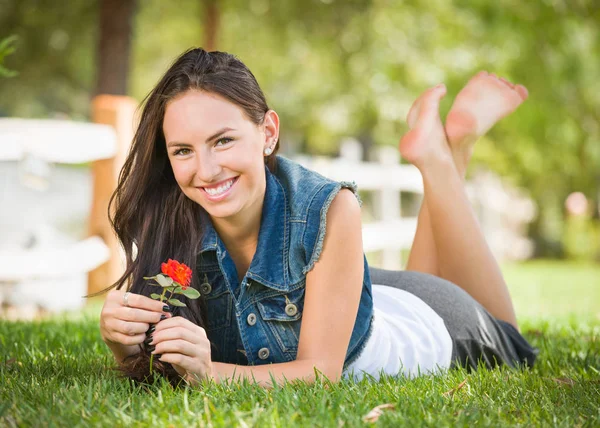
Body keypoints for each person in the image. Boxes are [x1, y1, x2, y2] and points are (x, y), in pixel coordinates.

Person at [98, 48, 538, 388]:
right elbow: (161, 369)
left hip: (433, 326)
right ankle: (447, 148)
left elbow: (321, 374)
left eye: (224, 140)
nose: (206, 170)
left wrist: (211, 372)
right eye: (183, 151)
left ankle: (442, 159)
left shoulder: (326, 209)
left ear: (267, 132)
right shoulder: (174, 218)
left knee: (515, 344)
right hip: (374, 301)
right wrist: (127, 346)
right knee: (419, 286)